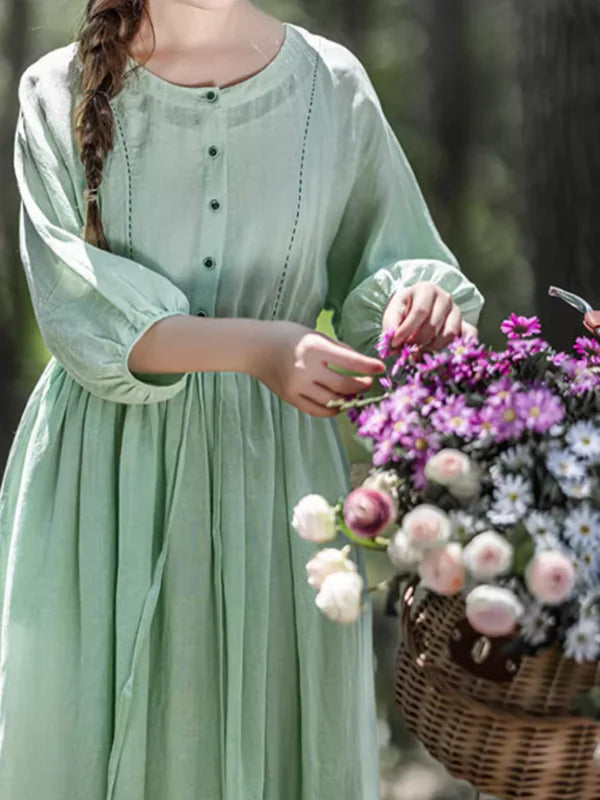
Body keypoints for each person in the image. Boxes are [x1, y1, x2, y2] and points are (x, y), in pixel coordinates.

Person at [0, 1, 485, 798]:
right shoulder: (55, 90)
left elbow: (391, 263)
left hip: (277, 488)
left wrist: (414, 307)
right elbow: (79, 308)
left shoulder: (332, 86)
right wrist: (259, 348)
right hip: (103, 485)